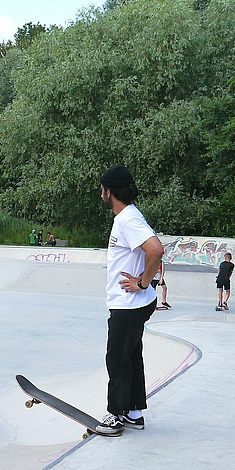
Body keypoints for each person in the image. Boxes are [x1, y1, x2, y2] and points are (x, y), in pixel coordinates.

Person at [96, 164, 165, 436]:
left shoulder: (128, 219)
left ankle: (115, 416)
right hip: (133, 304)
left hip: (128, 304)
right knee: (132, 356)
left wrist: (142, 282)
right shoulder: (129, 216)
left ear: (108, 191)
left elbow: (156, 249)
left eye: (102, 190)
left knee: (118, 359)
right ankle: (134, 411)